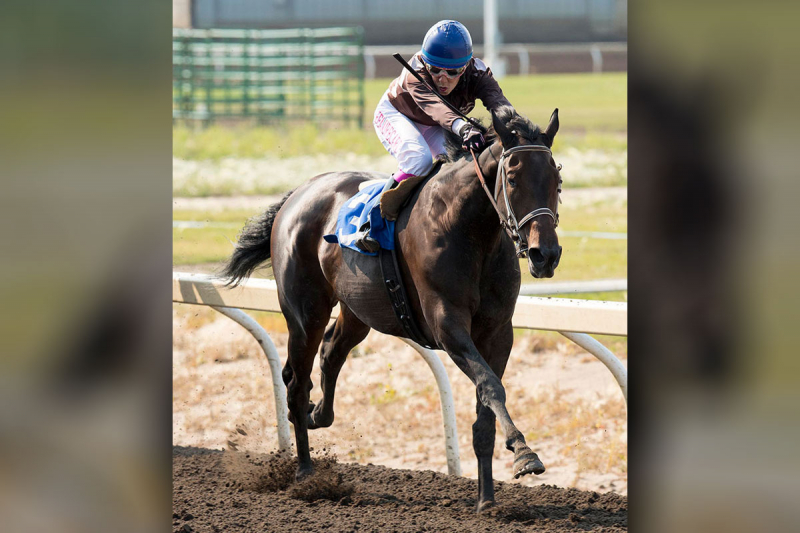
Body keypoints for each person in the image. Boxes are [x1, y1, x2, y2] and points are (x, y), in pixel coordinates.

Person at [355, 19, 513, 253]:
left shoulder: (479, 74)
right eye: (435, 69)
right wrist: (463, 128)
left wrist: (519, 130)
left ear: (466, 66)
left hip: (436, 124)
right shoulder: (415, 72)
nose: (442, 77)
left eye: (452, 71)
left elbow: (499, 105)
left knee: (456, 165)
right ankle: (371, 221)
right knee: (418, 159)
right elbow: (436, 107)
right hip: (396, 115)